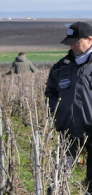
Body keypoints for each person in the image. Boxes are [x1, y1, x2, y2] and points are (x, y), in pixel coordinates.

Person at [45, 22, 92, 193]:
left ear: (90, 40)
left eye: (76, 42)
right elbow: (50, 92)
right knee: (57, 178)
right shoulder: (61, 66)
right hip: (68, 131)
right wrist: (57, 113)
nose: (72, 46)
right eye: (69, 42)